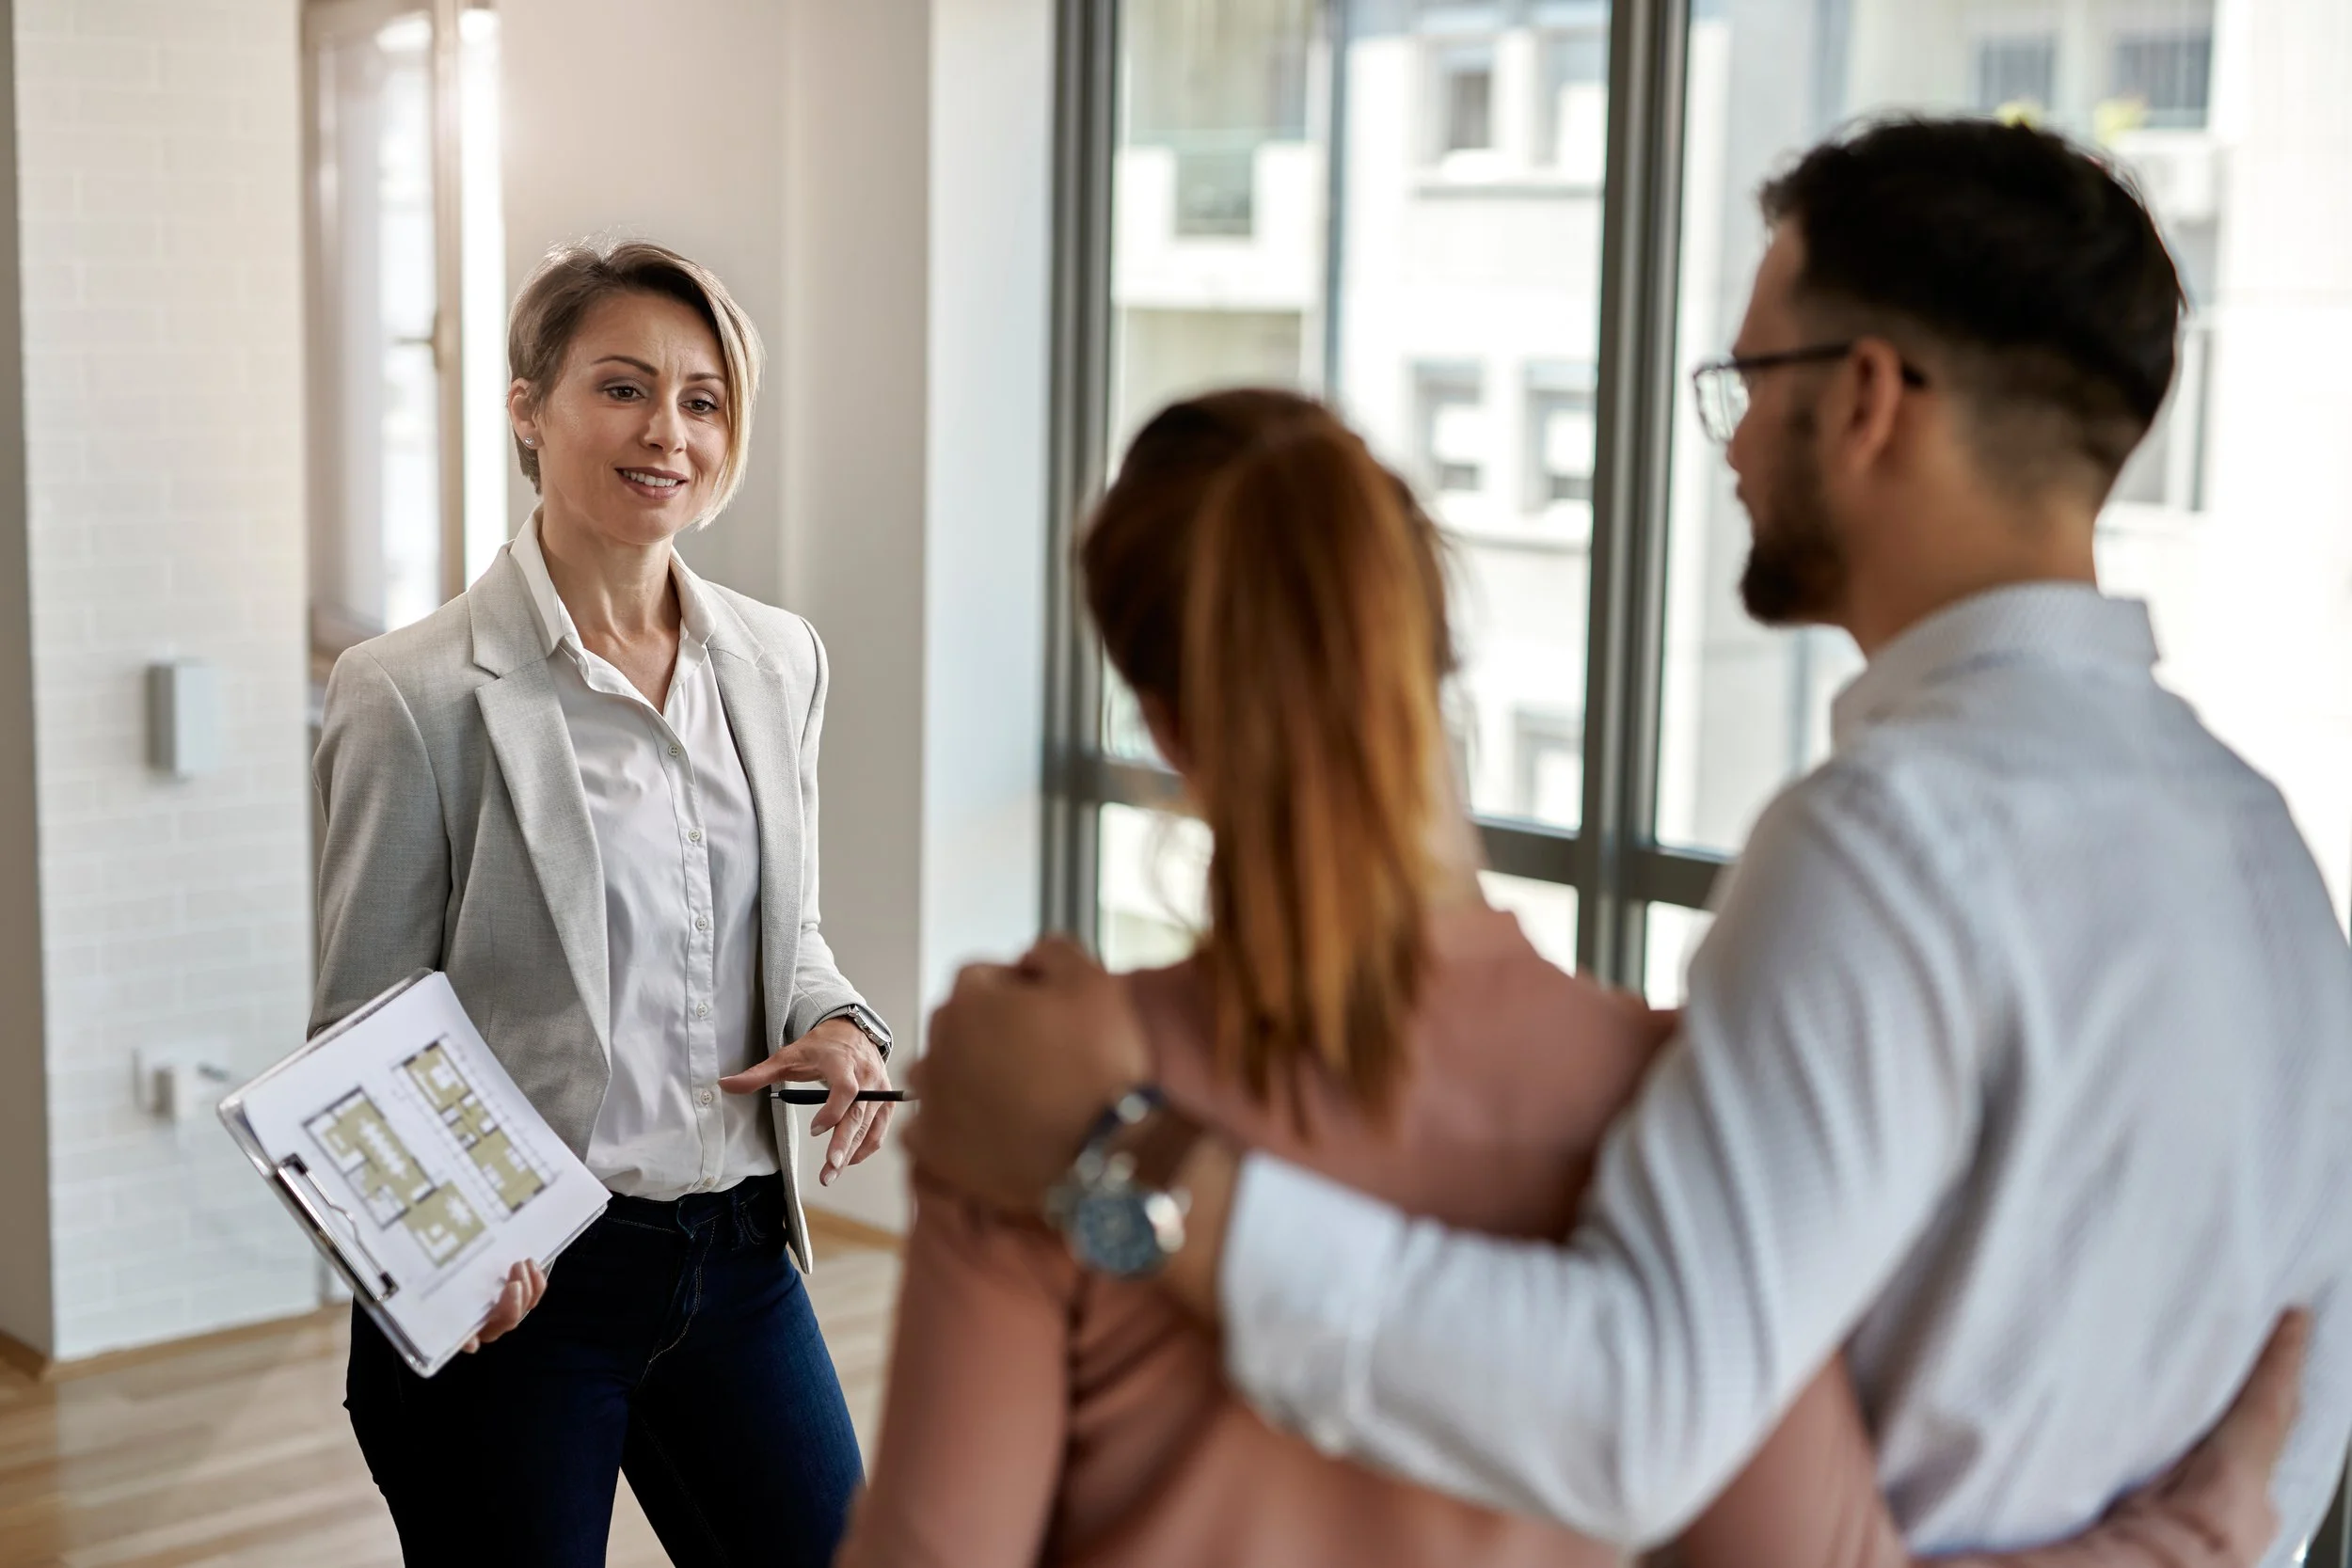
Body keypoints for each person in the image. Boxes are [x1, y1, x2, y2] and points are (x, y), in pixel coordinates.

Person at [906, 117, 2352, 1563]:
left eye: (1748, 380)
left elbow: (1642, 1420)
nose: (1726, 443)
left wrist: (1126, 1163)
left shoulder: (1884, 847)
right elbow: (2286, 1438)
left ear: (1864, 401)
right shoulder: (2278, 869)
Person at [313, 238, 893, 1568]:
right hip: (523, 1293)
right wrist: (454, 1249)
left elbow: (783, 928)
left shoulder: (780, 657)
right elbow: (364, 1035)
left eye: (702, 399)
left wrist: (846, 1028)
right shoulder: (415, 691)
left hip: (740, 1259)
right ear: (529, 408)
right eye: (623, 388)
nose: (668, 433)